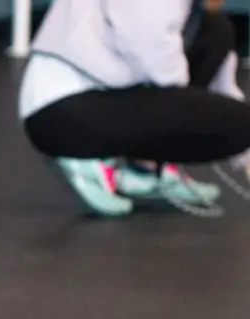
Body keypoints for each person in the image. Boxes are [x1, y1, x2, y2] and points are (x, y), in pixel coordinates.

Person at [19, 0, 250, 216]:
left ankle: (145, 169)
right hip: (62, 110)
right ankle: (86, 157)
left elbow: (222, 86)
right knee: (237, 122)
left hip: (89, 98)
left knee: (215, 32)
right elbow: (151, 49)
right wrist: (187, 110)